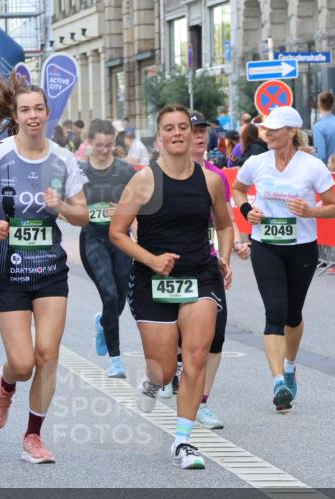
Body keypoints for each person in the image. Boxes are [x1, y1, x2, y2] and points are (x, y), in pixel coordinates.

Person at [0, 73, 89, 465]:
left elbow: (82, 215)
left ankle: (33, 436)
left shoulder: (63, 159)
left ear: (47, 113)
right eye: (25, 110)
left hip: (50, 270)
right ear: (16, 116)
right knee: (23, 363)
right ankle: (6, 383)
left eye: (38, 109)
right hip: (8, 270)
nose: (32, 116)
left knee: (48, 355)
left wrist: (61, 206)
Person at [109, 105, 234, 470]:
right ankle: (153, 381)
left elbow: (225, 225)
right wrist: (151, 260)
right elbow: (117, 232)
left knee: (195, 357)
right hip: (154, 281)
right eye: (169, 128)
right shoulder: (144, 180)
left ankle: (183, 441)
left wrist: (224, 257)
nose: (177, 133)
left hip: (200, 276)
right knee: (164, 371)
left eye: (182, 127)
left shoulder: (209, 181)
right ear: (159, 136)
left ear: (191, 134)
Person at [231, 106, 335, 412]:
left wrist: (311, 211)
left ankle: (290, 366)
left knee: (293, 314)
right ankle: (278, 381)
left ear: (291, 132)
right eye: (265, 129)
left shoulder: (312, 166)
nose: (267, 134)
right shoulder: (257, 162)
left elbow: (334, 207)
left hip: (301, 247)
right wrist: (246, 211)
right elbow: (238, 190)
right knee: (275, 313)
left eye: (274, 129)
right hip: (265, 244)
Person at [187, 111, 250, 428]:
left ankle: (201, 403)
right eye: (193, 131)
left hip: (209, 262)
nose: (200, 136)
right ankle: (170, 373)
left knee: (216, 334)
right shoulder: (163, 174)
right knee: (175, 337)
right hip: (175, 265)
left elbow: (225, 220)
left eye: (203, 131)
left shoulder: (217, 176)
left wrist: (234, 247)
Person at [79, 119, 136, 379]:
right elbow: (63, 205)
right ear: (89, 143)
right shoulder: (79, 171)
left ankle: (104, 322)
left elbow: (141, 203)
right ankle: (115, 360)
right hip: (92, 238)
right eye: (99, 145)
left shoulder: (125, 171)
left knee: (119, 298)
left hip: (120, 238)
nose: (104, 150)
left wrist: (124, 211)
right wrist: (79, 211)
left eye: (109, 145)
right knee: (109, 295)